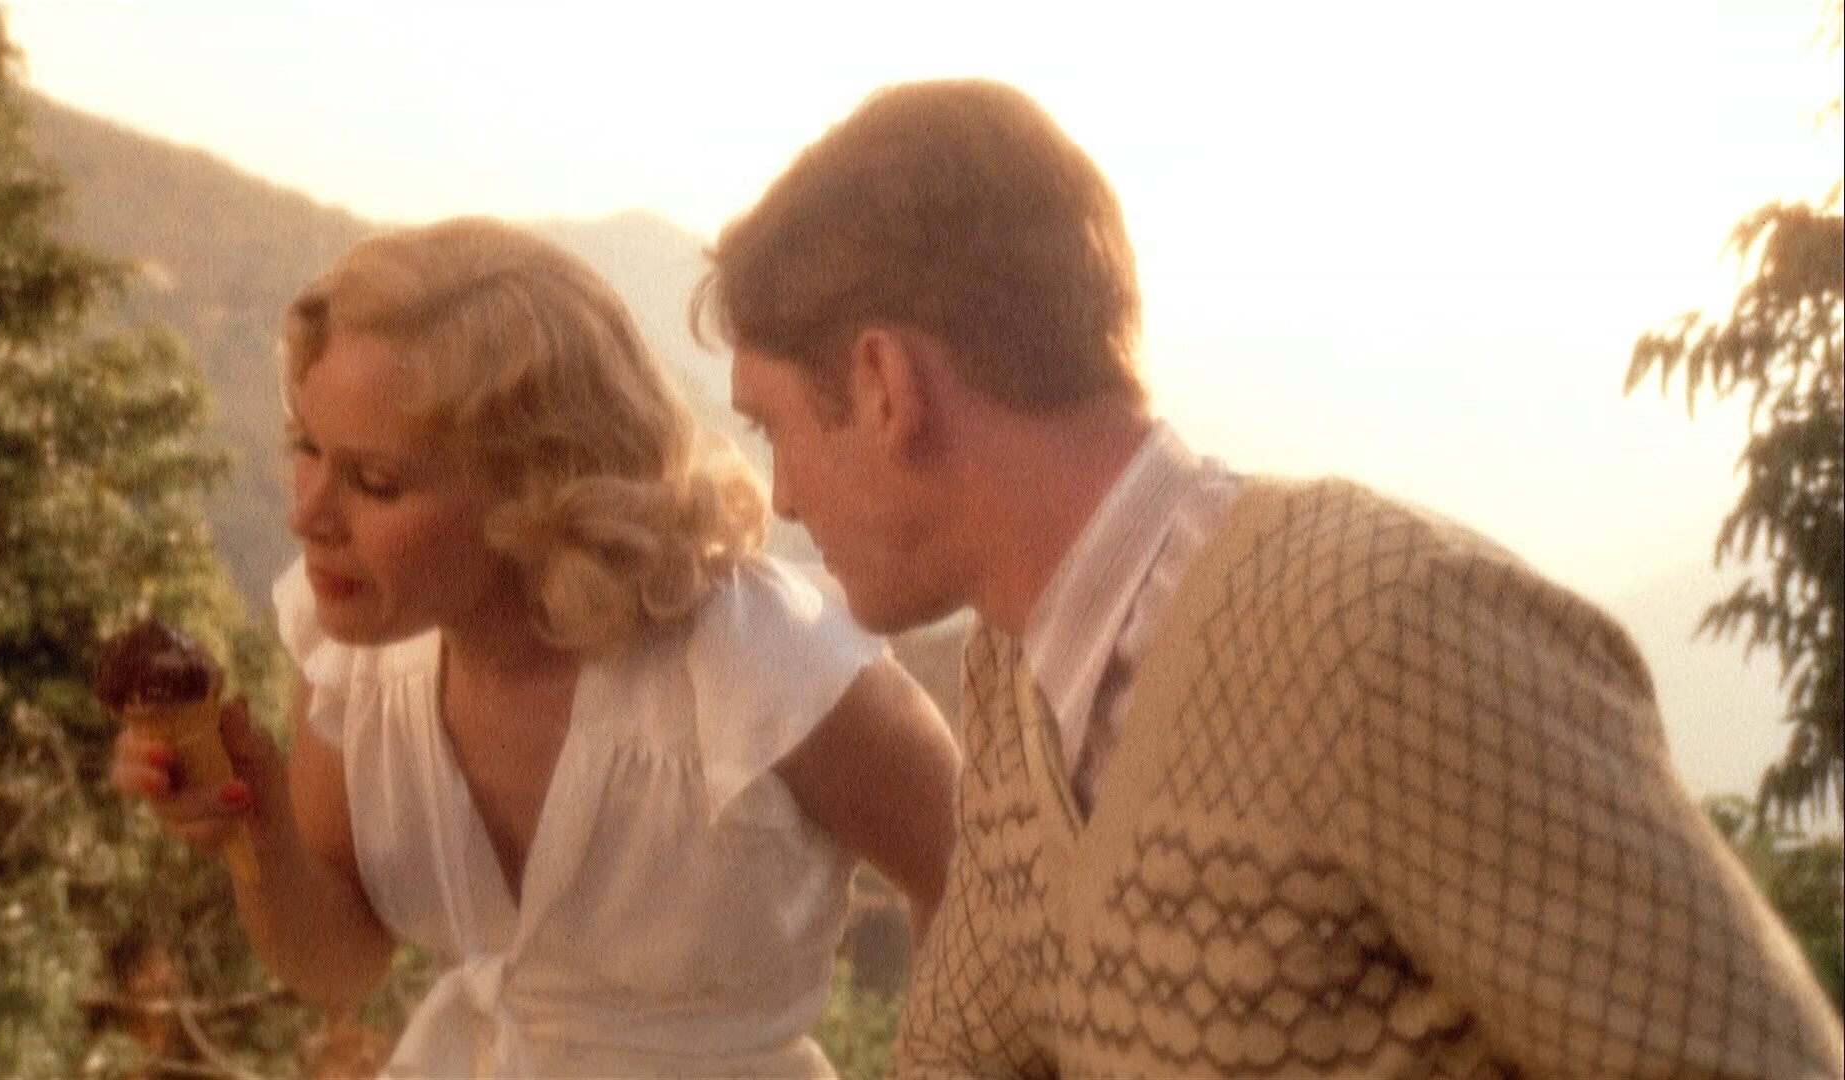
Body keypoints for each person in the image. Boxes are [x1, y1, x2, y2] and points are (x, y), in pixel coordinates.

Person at [696, 78, 1845, 1078]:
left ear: (884, 386)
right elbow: (963, 1055)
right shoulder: (1016, 677)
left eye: (773, 428)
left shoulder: (1385, 632)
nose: (781, 496)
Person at [109, 217, 960, 1078]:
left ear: (535, 490)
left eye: (375, 482)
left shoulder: (762, 659)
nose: (307, 515)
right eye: (307, 449)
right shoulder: (355, 653)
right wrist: (254, 826)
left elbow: (980, 886)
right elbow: (339, 970)